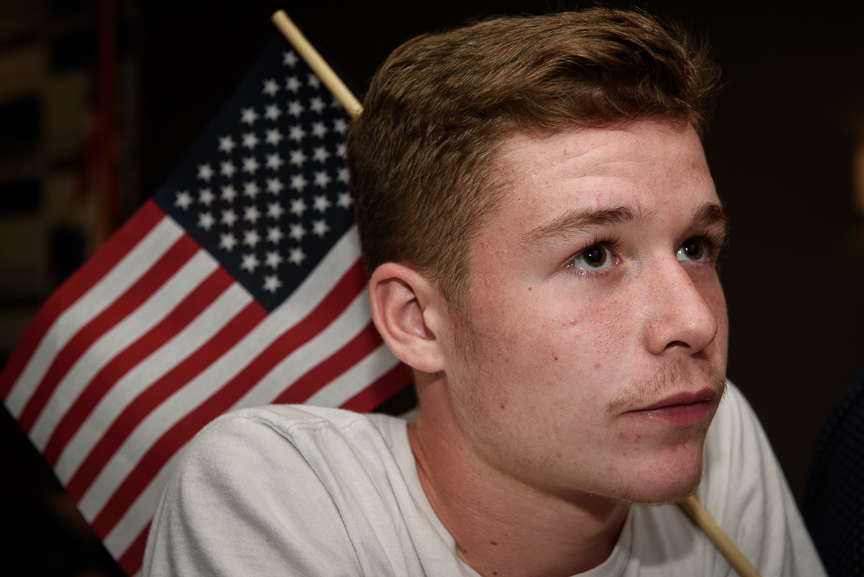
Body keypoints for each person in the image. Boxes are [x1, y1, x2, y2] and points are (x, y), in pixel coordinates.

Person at [143, 8, 826, 576]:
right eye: (594, 254)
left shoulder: (707, 430)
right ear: (418, 321)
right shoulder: (276, 492)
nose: (694, 320)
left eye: (694, 247)